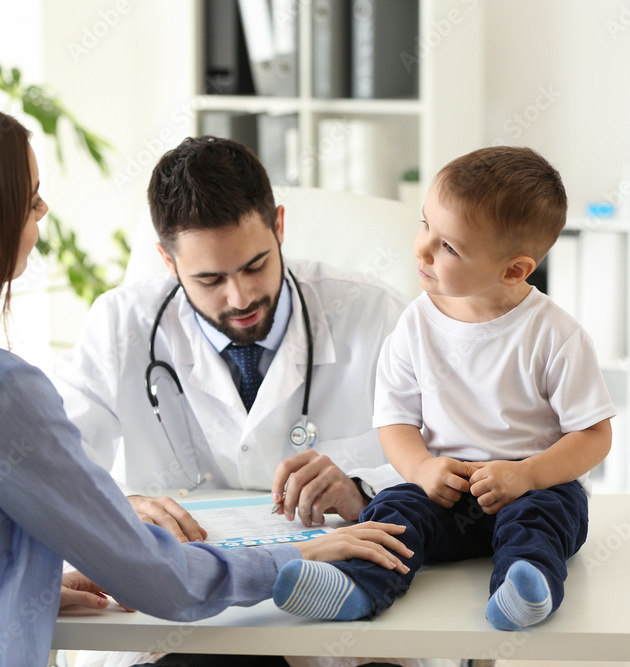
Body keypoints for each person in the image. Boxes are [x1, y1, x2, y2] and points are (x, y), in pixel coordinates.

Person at [0, 102, 414, 667]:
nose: (44, 212)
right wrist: (301, 556)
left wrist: (22, 579)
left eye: (254, 266)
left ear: (279, 228)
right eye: (31, 201)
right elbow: (160, 580)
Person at [271, 146, 617, 631]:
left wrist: (530, 475)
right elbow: (395, 421)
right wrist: (423, 468)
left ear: (514, 270)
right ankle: (358, 586)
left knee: (542, 521)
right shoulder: (415, 324)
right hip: (444, 491)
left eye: (448, 247)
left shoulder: (555, 335)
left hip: (529, 488)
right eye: (424, 225)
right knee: (393, 511)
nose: (421, 248)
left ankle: (525, 587)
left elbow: (594, 435)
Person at [53, 136, 409, 544]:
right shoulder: (119, 323)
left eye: (255, 265)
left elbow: (455, 457)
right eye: (210, 279)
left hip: (337, 566)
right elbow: (51, 457)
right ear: (168, 261)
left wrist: (364, 489)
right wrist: (113, 505)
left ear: (278, 225)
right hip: (183, 572)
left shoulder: (376, 315)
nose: (240, 298)